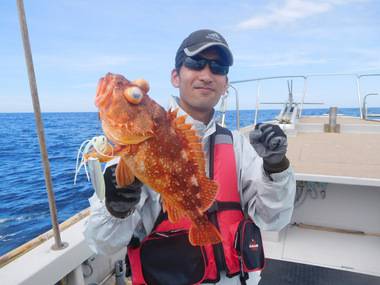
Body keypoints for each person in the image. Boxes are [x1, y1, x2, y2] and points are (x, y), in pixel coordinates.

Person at [84, 29, 296, 285]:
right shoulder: (128, 156)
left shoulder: (239, 146)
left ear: (225, 84)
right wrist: (116, 210)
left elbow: (273, 219)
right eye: (196, 63)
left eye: (218, 67)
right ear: (175, 76)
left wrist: (276, 167)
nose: (207, 75)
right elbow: (102, 244)